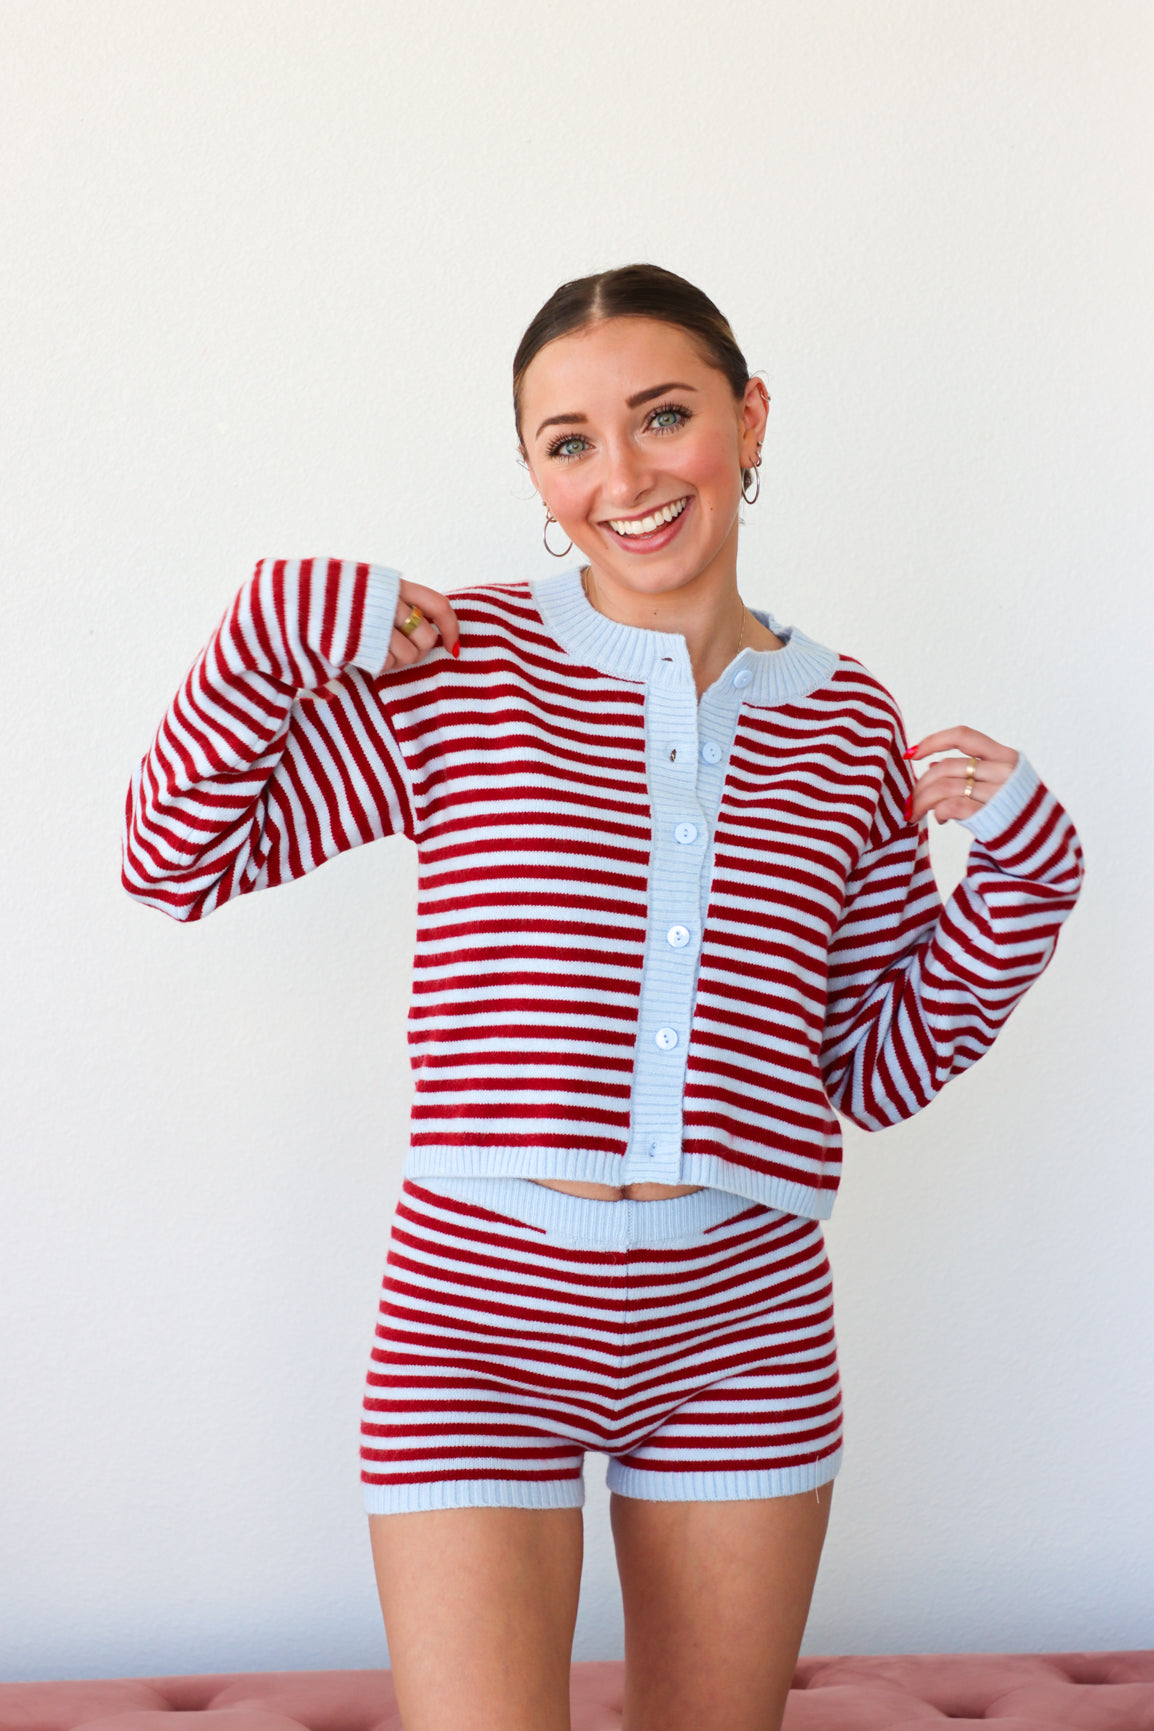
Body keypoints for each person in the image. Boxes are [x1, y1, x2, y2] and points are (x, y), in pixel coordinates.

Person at [122, 264, 1083, 1731]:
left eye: (662, 417)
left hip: (741, 1328)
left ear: (746, 421)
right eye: (567, 441)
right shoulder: (465, 667)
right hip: (472, 1317)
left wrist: (1021, 888)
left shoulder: (844, 720)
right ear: (533, 472)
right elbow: (171, 859)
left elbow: (872, 1070)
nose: (621, 477)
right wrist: (272, 630)